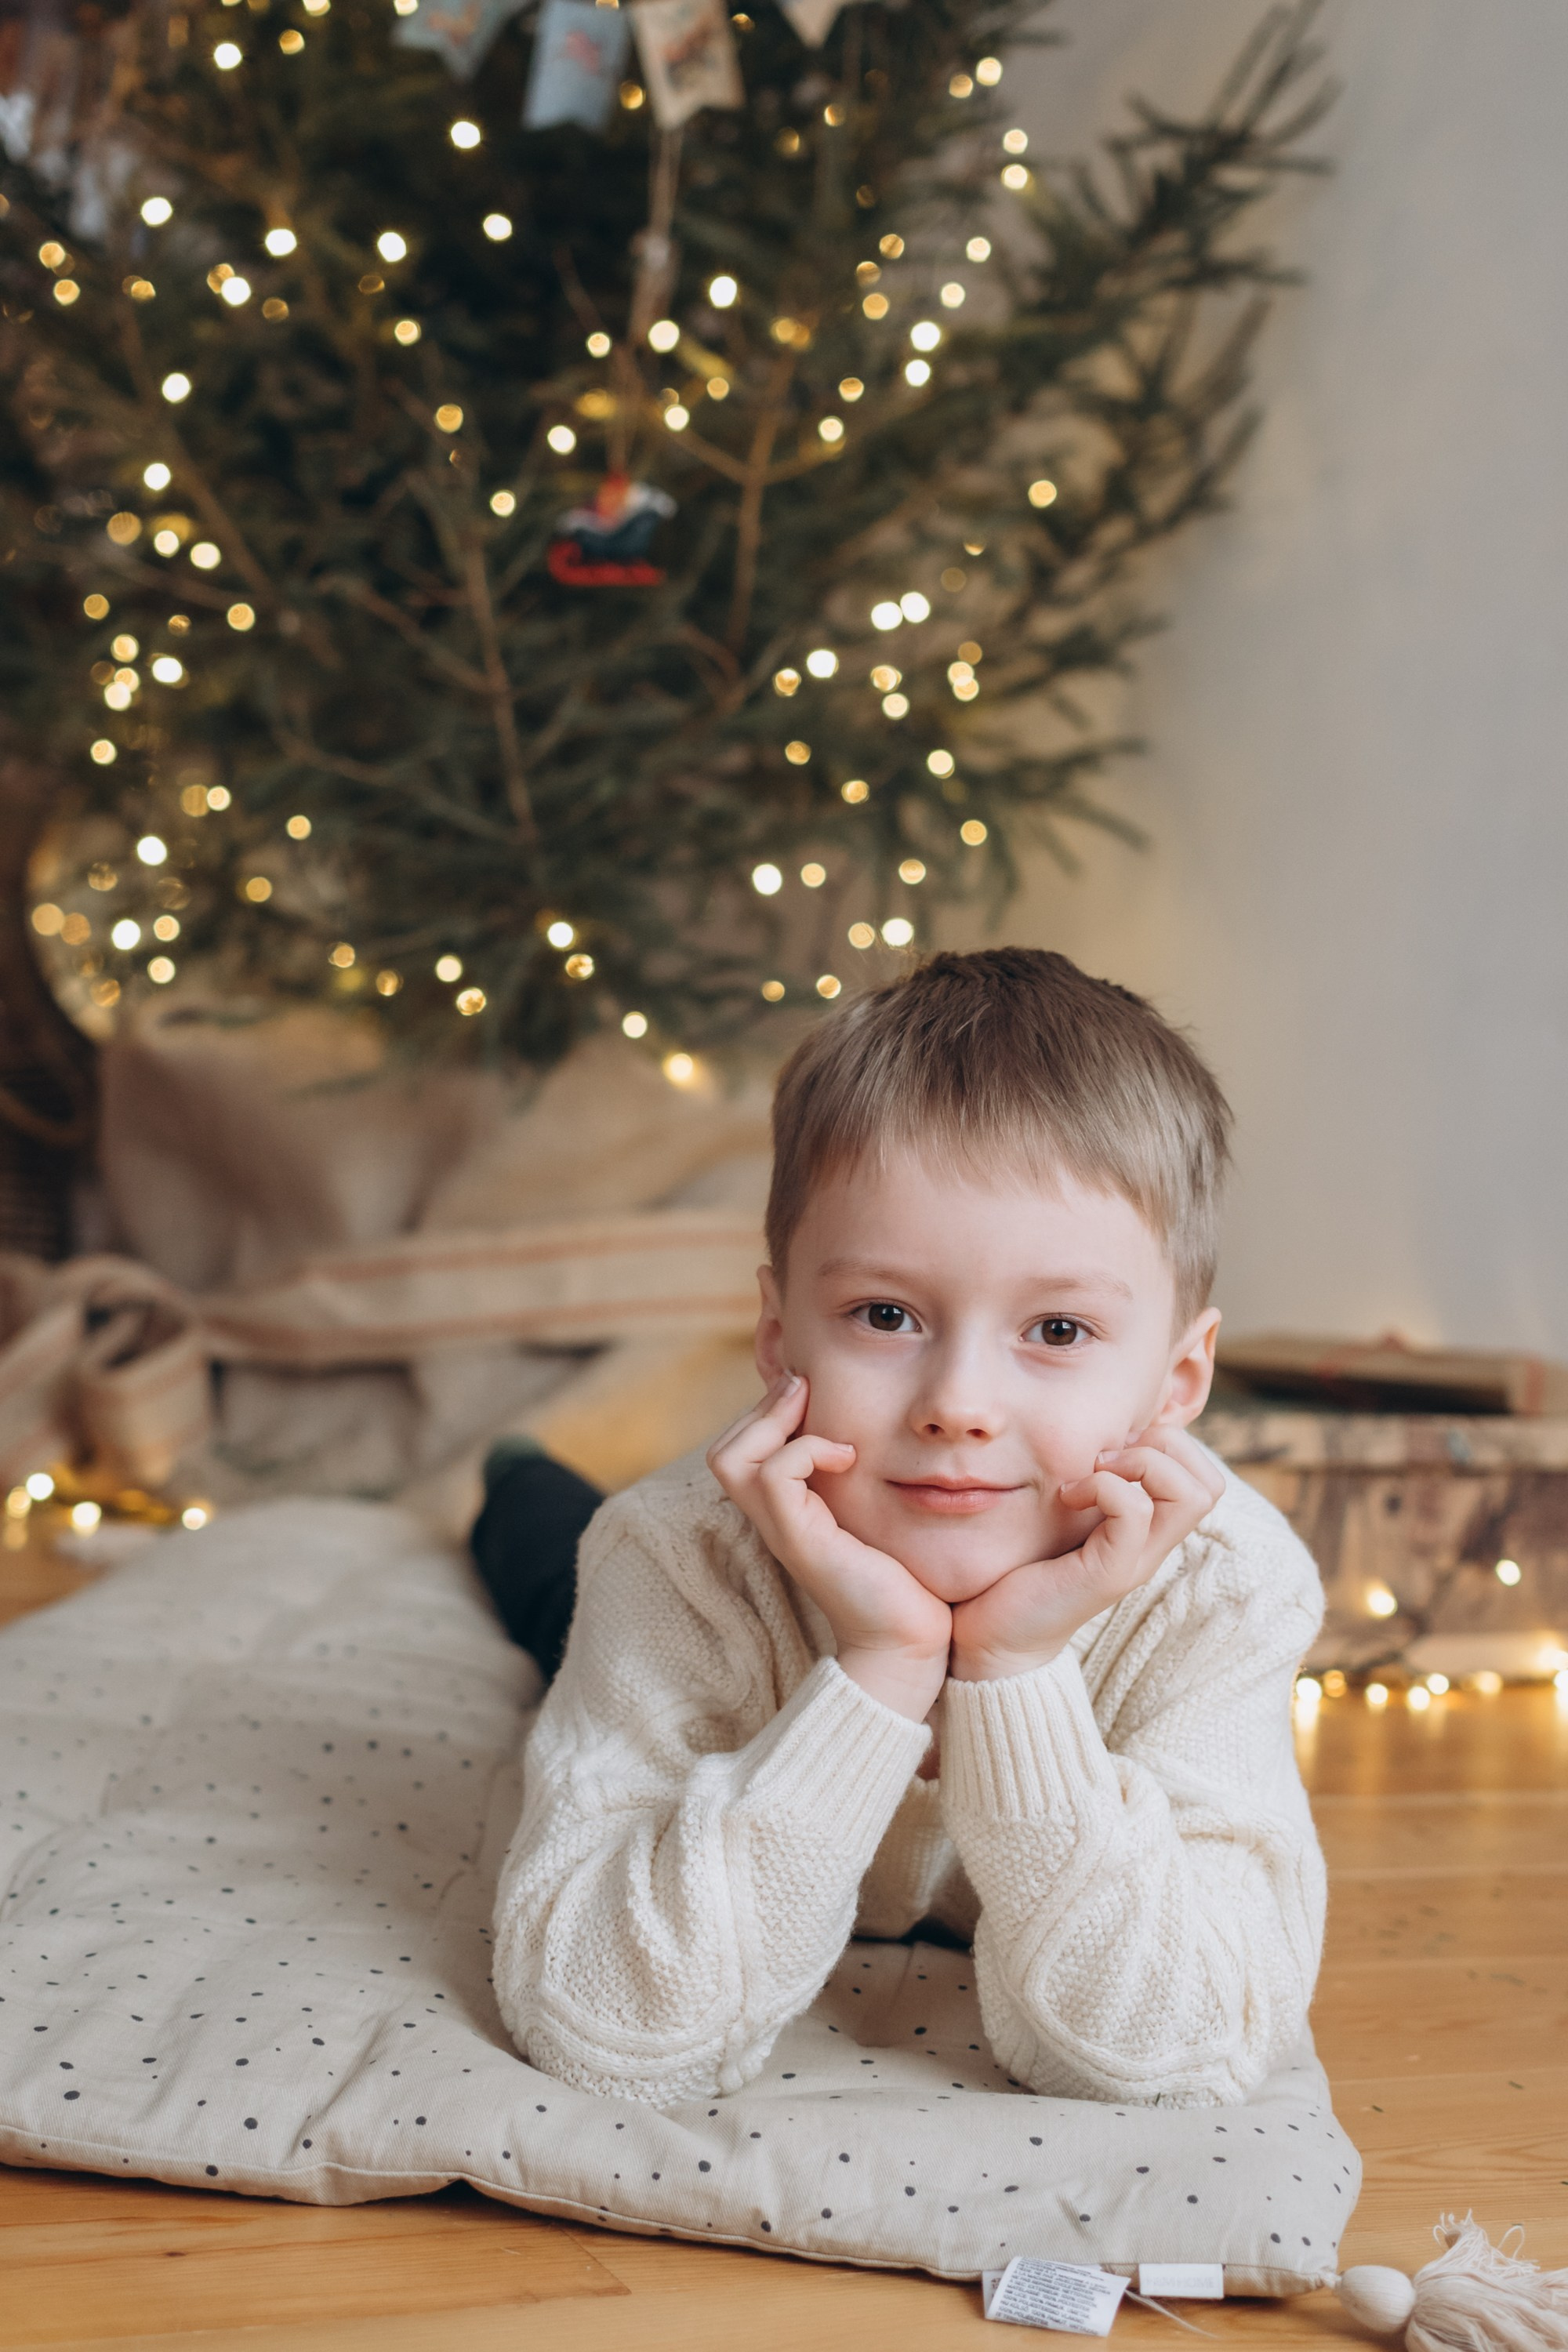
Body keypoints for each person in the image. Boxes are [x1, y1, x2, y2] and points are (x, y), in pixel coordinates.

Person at [481, 948, 1325, 2110]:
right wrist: (879, 1668)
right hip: (633, 1571)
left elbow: (1180, 2053)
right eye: (886, 1314)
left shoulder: (1228, 1586)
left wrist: (1016, 1668)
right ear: (780, 1341)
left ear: (1178, 1381)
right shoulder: (677, 1554)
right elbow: (611, 2030)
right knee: (544, 1571)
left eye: (1060, 1332)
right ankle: (517, 1475)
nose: (958, 1406)